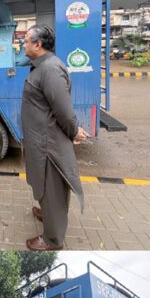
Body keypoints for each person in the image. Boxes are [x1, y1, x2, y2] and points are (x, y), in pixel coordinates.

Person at [20, 24, 90, 251]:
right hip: (41, 140)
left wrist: (73, 131)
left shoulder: (50, 69)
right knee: (45, 185)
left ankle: (53, 239)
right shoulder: (42, 66)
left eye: (26, 40)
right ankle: (49, 214)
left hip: (48, 144)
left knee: (53, 189)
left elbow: (63, 109)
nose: (23, 44)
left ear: (38, 45)